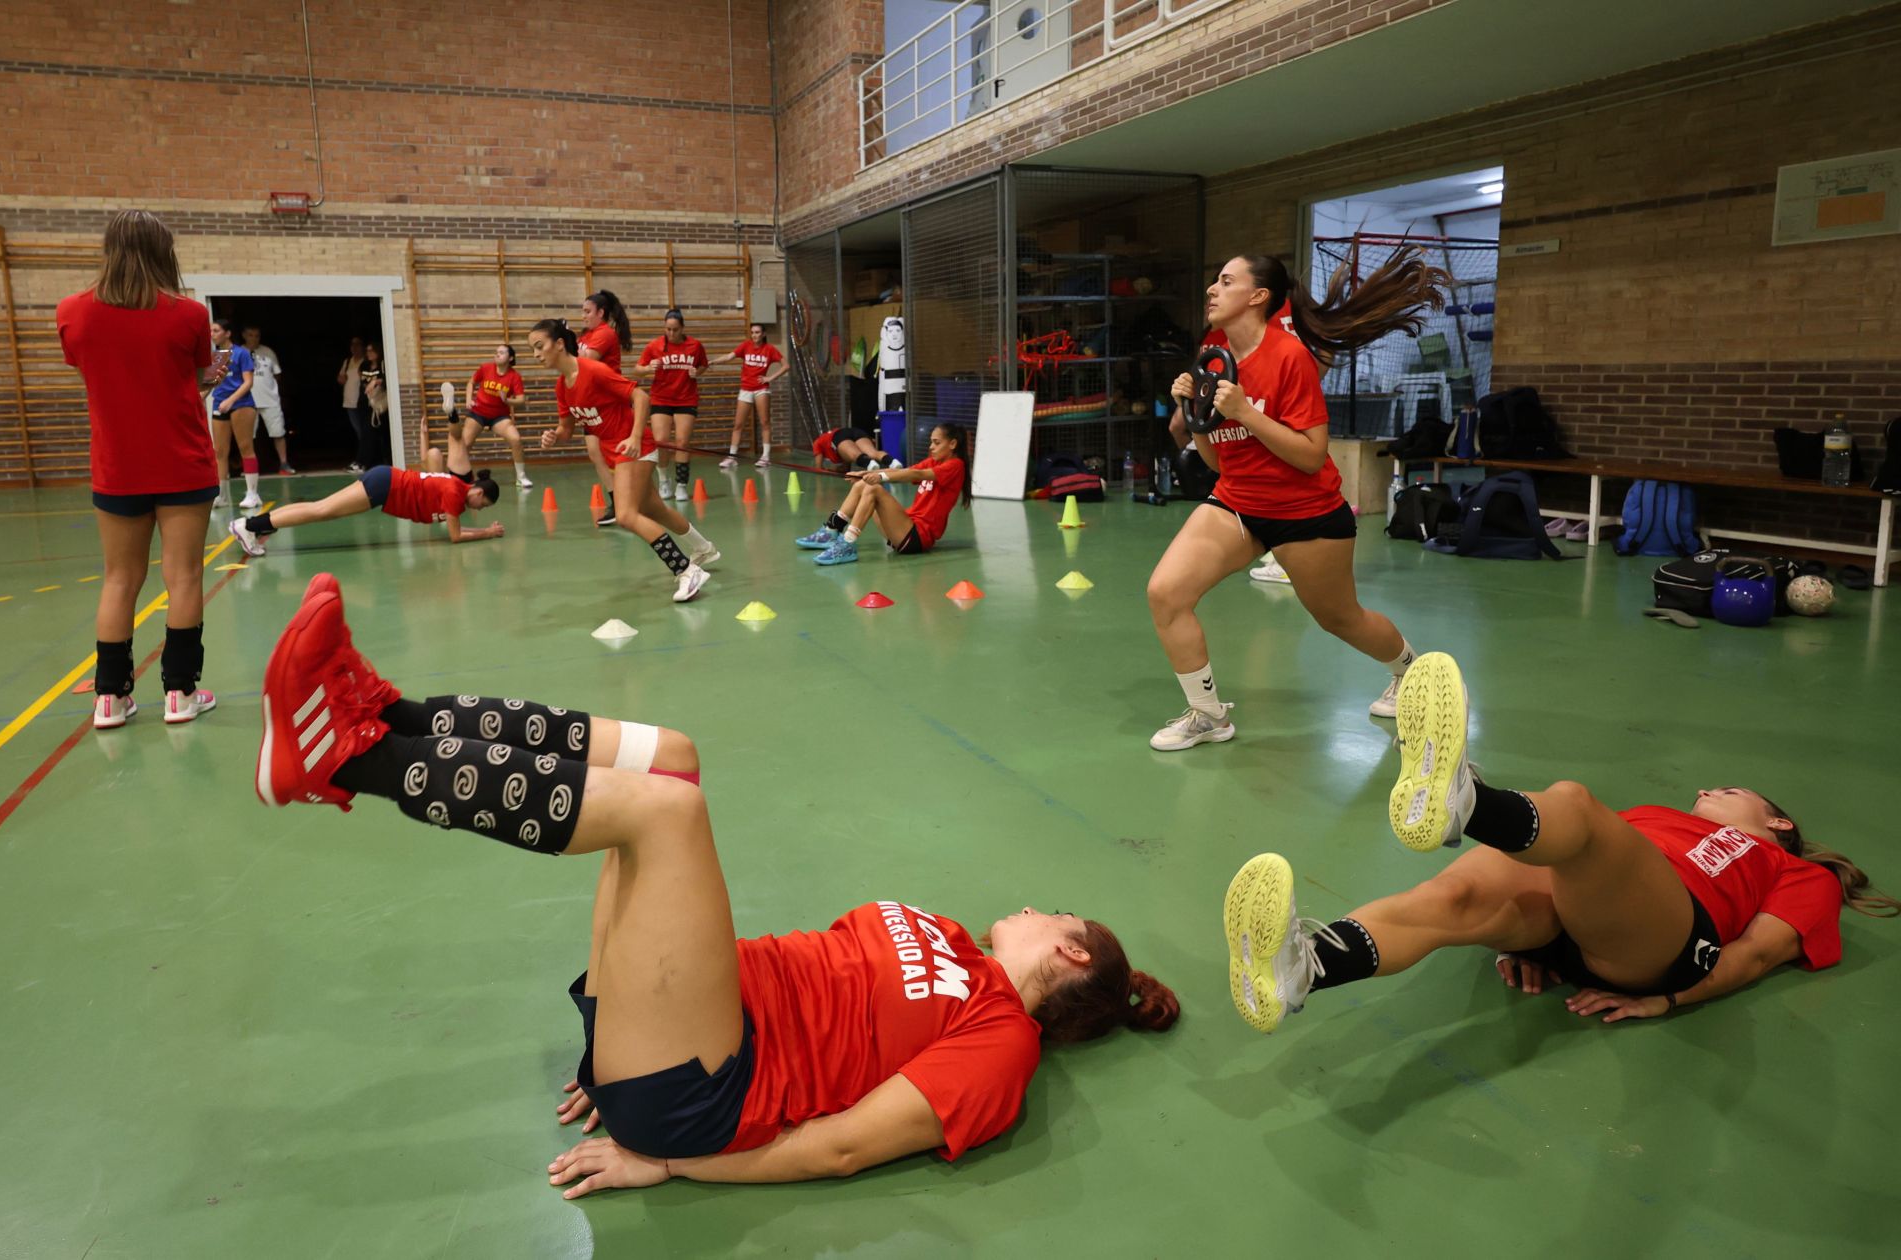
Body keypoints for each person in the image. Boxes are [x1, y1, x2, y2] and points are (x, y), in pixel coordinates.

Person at [251, 574, 1180, 1192]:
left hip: (703, 1095)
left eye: (1045, 914)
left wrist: (670, 1160)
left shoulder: (1001, 1047)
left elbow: (847, 1142)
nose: (1022, 907)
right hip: (681, 1025)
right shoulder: (945, 937)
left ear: (1070, 949)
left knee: (665, 815)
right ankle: (388, 714)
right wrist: (617, 1024)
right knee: (676, 761)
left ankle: (350, 763)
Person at [1223, 651, 1898, 1034]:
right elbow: (1576, 881)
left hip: (1666, 944)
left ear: (1776, 820)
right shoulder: (1654, 816)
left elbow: (1753, 956)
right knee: (1450, 896)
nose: (1710, 791)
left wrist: (1669, 999)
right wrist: (1530, 942)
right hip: (1583, 913)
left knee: (1576, 807)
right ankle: (1304, 966)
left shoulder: (1799, 872)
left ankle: (1466, 804)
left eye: (1730, 789)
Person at [1145, 250, 1449, 752]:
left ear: (1258, 296)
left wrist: (1244, 411)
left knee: (1339, 618)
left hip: (1305, 512)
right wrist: (1193, 411)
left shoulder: (1288, 356)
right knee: (1166, 594)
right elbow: (1218, 463)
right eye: (1213, 282)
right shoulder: (1214, 355)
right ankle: (1207, 715)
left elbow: (1310, 456)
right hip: (1237, 502)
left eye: (1225, 281)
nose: (1211, 291)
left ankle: (1412, 675)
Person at [56, 209, 220, 728]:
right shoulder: (190, 315)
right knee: (185, 576)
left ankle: (109, 698)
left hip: (117, 467)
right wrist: (203, 381)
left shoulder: (72, 312)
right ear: (162, 251)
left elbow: (106, 376)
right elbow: (184, 381)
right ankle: (180, 694)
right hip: (184, 466)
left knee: (119, 579)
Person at [529, 319, 718, 603]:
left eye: (539, 346)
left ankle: (687, 571)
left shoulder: (592, 370)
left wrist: (634, 436)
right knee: (654, 509)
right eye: (532, 349)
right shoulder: (561, 387)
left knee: (626, 515)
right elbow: (567, 429)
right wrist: (553, 436)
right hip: (616, 451)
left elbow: (640, 397)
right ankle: (703, 548)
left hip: (634, 447)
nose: (535, 354)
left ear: (558, 344)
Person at [228, 465, 502, 555]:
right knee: (321, 510)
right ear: (478, 492)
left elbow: (455, 530)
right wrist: (488, 533)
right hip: (385, 485)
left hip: (384, 481)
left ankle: (257, 525)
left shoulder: (457, 492)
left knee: (320, 509)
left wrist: (482, 530)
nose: (480, 509)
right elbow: (455, 536)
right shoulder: (456, 493)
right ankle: (249, 526)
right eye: (483, 504)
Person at [796, 423, 966, 566]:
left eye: (936, 443)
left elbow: (917, 475)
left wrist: (880, 477)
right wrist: (863, 474)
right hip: (905, 528)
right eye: (931, 442)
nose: (931, 447)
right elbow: (906, 471)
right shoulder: (934, 461)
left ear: (952, 444)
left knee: (874, 488)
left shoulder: (955, 465)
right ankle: (832, 530)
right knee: (864, 484)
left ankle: (847, 543)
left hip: (918, 537)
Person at [631, 309, 708, 501]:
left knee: (682, 443)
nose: (671, 333)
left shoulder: (695, 346)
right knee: (662, 441)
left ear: (682, 328)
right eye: (668, 329)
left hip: (686, 398)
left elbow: (703, 365)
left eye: (675, 329)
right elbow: (637, 370)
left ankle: (681, 485)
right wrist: (648, 368)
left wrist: (696, 372)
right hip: (661, 399)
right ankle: (664, 480)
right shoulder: (654, 346)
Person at [440, 344, 532, 488]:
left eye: (501, 353)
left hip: (499, 416)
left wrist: (507, 400)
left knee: (516, 439)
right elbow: (471, 382)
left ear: (511, 358)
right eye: (496, 352)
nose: (497, 355)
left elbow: (521, 400)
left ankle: (521, 477)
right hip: (478, 413)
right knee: (464, 444)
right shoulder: (485, 368)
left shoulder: (514, 377)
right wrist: (468, 399)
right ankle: (453, 478)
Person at [578, 291, 631, 524]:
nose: (583, 316)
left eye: (587, 311)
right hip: (592, 403)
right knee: (594, 452)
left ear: (601, 313)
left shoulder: (605, 333)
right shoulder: (587, 334)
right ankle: (617, 503)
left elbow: (587, 359)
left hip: (610, 403)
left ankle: (630, 501)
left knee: (616, 455)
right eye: (582, 311)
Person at [207, 317, 262, 514]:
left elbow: (248, 382)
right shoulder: (214, 356)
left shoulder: (241, 353)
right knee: (220, 451)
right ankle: (221, 495)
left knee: (245, 447)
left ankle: (252, 493)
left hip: (241, 404)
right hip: (218, 405)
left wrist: (230, 400)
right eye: (211, 331)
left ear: (227, 333)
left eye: (215, 331)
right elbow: (210, 383)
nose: (212, 334)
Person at [719, 323, 788, 468]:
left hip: (761, 389)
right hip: (745, 389)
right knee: (738, 424)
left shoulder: (769, 349)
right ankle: (732, 457)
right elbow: (729, 356)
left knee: (765, 422)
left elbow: (786, 365)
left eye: (757, 332)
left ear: (763, 334)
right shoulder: (745, 346)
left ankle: (765, 456)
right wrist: (712, 361)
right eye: (752, 332)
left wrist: (769, 378)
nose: (754, 335)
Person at [242, 326, 294, 475]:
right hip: (247, 401)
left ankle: (284, 464)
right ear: (244, 336)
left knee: (278, 433)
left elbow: (277, 375)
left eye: (257, 335)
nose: (254, 338)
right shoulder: (238, 352)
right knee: (247, 436)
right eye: (250, 335)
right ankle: (248, 468)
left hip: (270, 400)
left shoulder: (268, 352)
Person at [358, 343, 391, 472]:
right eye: (367, 350)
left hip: (379, 404)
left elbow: (387, 379)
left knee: (378, 432)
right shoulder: (364, 365)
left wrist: (376, 381)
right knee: (365, 432)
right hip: (365, 402)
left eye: (372, 350)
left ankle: (382, 460)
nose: (369, 353)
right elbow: (361, 380)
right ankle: (368, 461)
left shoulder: (383, 364)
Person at [336, 335, 366, 472]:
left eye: (357, 344)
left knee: (363, 432)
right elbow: (340, 379)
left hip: (361, 401)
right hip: (349, 401)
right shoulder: (348, 361)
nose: (354, 347)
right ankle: (361, 459)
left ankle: (363, 460)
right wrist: (342, 378)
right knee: (358, 432)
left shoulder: (365, 361)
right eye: (352, 345)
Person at [810, 427, 898, 472]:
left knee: (855, 455)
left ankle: (869, 464)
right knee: (872, 453)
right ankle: (893, 462)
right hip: (854, 431)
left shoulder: (817, 443)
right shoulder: (825, 439)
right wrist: (838, 469)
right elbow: (846, 467)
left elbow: (818, 468)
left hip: (838, 436)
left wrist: (825, 469)